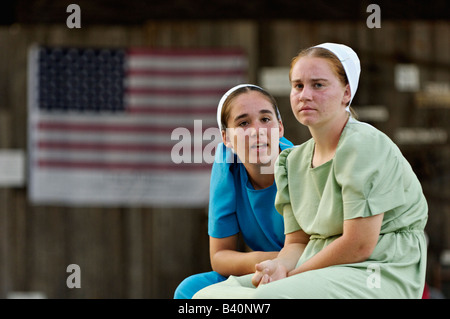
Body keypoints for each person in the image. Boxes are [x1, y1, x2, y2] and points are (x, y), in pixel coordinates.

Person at [193, 43, 428, 299]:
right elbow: (297, 243)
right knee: (206, 298)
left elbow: (359, 244)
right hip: (319, 265)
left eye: (318, 85)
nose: (305, 95)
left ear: (346, 93)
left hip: (377, 267)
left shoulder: (364, 144)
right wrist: (278, 266)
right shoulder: (293, 161)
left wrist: (291, 277)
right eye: (298, 86)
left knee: (265, 299)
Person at [173, 84, 293, 299]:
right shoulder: (227, 167)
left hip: (307, 267)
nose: (257, 130)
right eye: (244, 123)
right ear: (226, 138)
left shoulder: (301, 165)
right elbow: (219, 256)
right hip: (261, 268)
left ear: (280, 128)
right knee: (190, 290)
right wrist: (267, 262)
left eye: (265, 119)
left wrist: (283, 262)